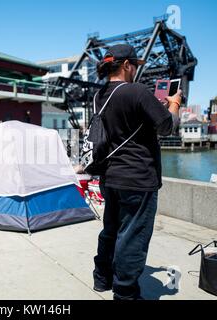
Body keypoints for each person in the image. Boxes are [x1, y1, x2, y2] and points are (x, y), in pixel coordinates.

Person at [91, 44, 181, 300]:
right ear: (127, 65)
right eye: (135, 67)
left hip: (110, 176)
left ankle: (102, 277)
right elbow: (166, 127)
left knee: (111, 230)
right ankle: (125, 294)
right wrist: (173, 104)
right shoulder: (137, 91)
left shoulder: (100, 95)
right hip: (138, 179)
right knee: (132, 238)